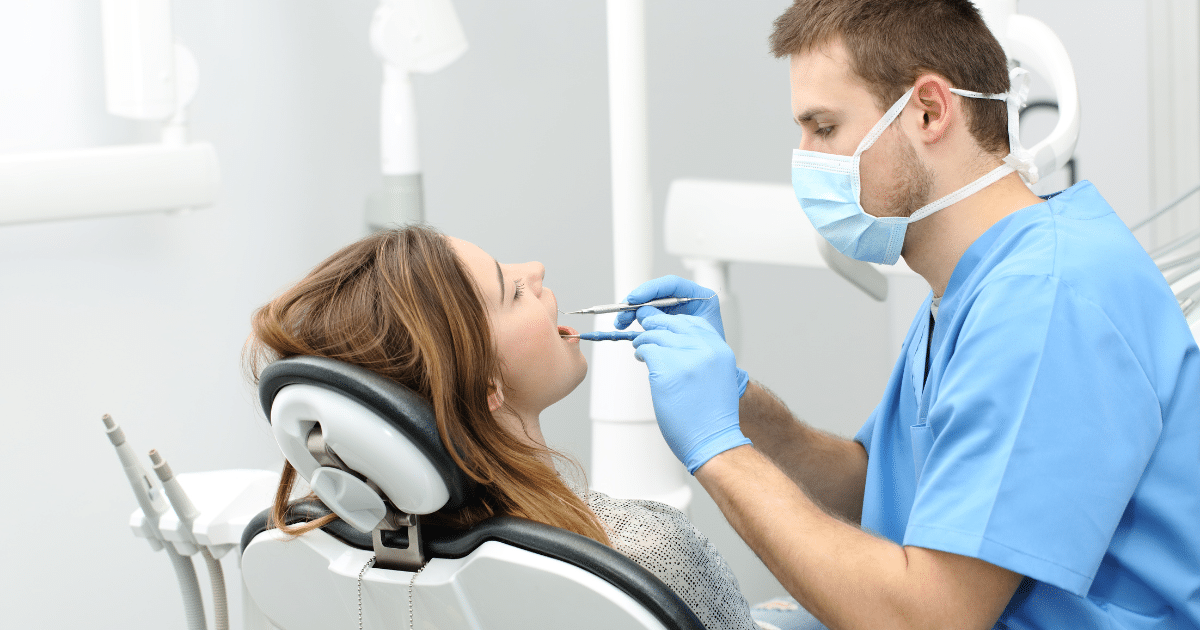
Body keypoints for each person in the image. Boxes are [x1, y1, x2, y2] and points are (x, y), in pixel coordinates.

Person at [617, 1, 1200, 629]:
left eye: (824, 128)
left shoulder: (1043, 300)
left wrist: (718, 450)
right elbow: (881, 487)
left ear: (928, 111)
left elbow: (929, 618)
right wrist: (737, 402)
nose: (806, 160)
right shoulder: (975, 284)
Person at [244, 225, 759, 630]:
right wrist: (721, 442)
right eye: (512, 292)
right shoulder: (647, 555)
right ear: (486, 383)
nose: (535, 269)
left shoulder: (328, 555)